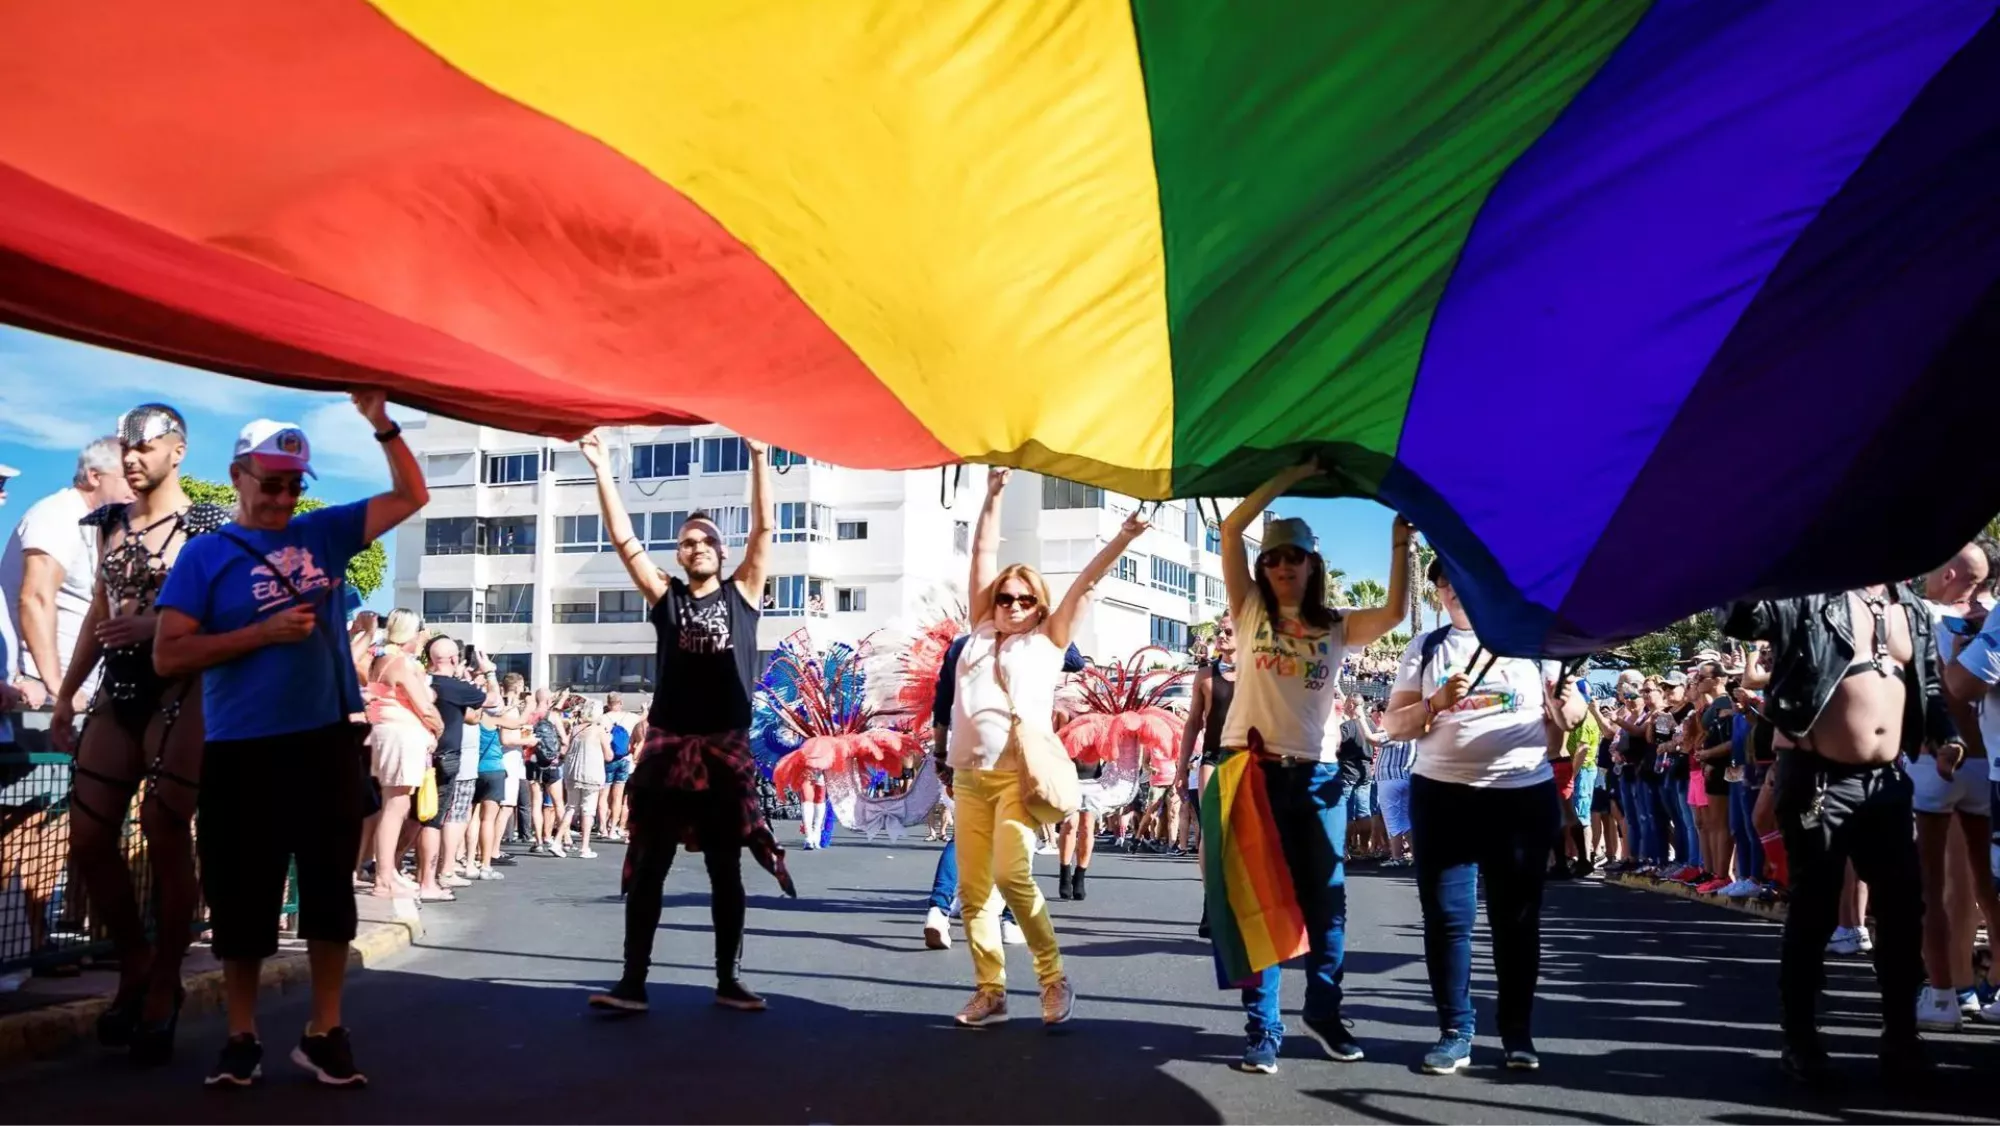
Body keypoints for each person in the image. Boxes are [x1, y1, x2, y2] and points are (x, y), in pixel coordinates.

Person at [153, 392, 426, 1087]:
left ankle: (324, 1029)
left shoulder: (325, 534)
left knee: (331, 892)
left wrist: (380, 422)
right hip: (242, 748)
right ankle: (241, 1036)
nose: (281, 497)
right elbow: (168, 655)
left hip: (327, 742)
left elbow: (411, 493)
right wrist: (258, 635)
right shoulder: (205, 556)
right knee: (244, 895)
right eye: (269, 482)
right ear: (238, 473)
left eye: (293, 485)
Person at [578, 430, 792, 1016]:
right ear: (679, 555)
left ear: (722, 553)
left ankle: (729, 979)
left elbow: (764, 531)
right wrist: (600, 467)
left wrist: (756, 457)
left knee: (727, 871)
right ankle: (632, 982)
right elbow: (623, 541)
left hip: (723, 752)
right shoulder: (667, 597)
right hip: (670, 752)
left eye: (706, 540)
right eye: (687, 541)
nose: (696, 546)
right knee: (650, 866)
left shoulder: (744, 594)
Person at [1214, 462, 1411, 1075]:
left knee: (1327, 902)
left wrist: (1400, 543)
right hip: (1250, 770)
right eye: (1273, 559)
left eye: (1293, 558)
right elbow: (1230, 528)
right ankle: (1262, 1029)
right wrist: (1291, 473)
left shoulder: (1337, 626)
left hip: (1319, 777)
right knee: (1259, 902)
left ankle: (1323, 1011)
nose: (1282, 567)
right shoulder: (1248, 611)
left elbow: (1398, 612)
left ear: (1311, 565)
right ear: (1262, 569)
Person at [46, 406, 226, 1065]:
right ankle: (136, 962)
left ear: (176, 450)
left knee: (165, 829)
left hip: (184, 689)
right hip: (116, 689)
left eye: (144, 446)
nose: (130, 458)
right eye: (125, 446)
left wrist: (155, 628)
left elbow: (228, 612)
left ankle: (166, 981)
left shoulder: (214, 525)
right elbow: (100, 608)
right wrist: (67, 694)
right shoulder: (108, 523)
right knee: (90, 838)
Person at [1722, 577, 1952, 1084]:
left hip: (1887, 780)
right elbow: (1744, 617)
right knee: (1816, 906)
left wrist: (1944, 734)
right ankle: (1801, 1038)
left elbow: (1928, 680)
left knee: (1902, 906)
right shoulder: (1809, 590)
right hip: (1817, 776)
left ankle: (1900, 1036)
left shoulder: (1906, 601)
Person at [946, 467, 1138, 1031]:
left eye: (1023, 598)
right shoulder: (979, 628)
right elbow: (982, 550)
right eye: (1004, 596)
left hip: (1016, 779)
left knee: (1012, 876)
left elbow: (1086, 582)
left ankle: (1053, 978)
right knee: (974, 892)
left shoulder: (1049, 640)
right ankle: (991, 990)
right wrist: (994, 492)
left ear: (1038, 604)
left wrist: (1125, 537)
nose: (1011, 604)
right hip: (969, 777)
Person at [1382, 557, 1583, 1075]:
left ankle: (1517, 1031)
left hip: (1520, 796)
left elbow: (1570, 714)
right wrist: (1433, 704)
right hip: (1443, 797)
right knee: (1449, 920)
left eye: (1457, 574)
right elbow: (1395, 725)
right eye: (1442, 579)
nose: (1449, 586)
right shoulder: (1425, 647)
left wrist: (1567, 705)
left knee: (1516, 921)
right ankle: (1455, 1032)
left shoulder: (1535, 641)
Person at [0, 435, 129, 711]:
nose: (137, 487)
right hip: (42, 695)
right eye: (127, 475)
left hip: (81, 691)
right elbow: (35, 598)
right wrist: (58, 685)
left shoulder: (99, 527)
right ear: (95, 476)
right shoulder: (57, 515)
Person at [358, 608, 441, 898]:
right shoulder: (398, 664)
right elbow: (425, 706)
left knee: (396, 806)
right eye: (419, 631)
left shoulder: (382, 659)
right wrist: (437, 728)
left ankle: (387, 872)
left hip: (390, 734)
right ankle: (383, 878)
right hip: (401, 735)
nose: (422, 637)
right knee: (395, 807)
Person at [421, 636, 497, 898]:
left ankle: (414, 873)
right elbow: (493, 702)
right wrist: (489, 672)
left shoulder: (423, 682)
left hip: (421, 753)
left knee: (413, 819)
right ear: (453, 659)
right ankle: (429, 880)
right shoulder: (453, 687)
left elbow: (470, 715)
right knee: (433, 820)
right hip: (446, 756)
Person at [1180, 613, 1237, 937]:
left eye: (1228, 631)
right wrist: (1181, 764)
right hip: (1213, 759)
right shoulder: (1204, 676)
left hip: (1249, 762)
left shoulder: (1259, 676)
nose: (1221, 635)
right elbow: (1192, 724)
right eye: (1219, 631)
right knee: (1212, 833)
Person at [564, 698, 609, 858]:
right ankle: (584, 847)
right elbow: (609, 755)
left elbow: (569, 748)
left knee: (570, 807)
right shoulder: (599, 730)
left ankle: (557, 841)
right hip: (591, 773)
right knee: (588, 810)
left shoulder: (576, 728)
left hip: (574, 772)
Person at [602, 691, 640, 841]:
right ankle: (613, 828)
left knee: (604, 795)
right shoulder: (631, 718)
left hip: (608, 759)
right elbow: (644, 720)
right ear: (621, 703)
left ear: (608, 703)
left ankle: (602, 827)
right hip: (625, 759)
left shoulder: (602, 718)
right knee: (619, 796)